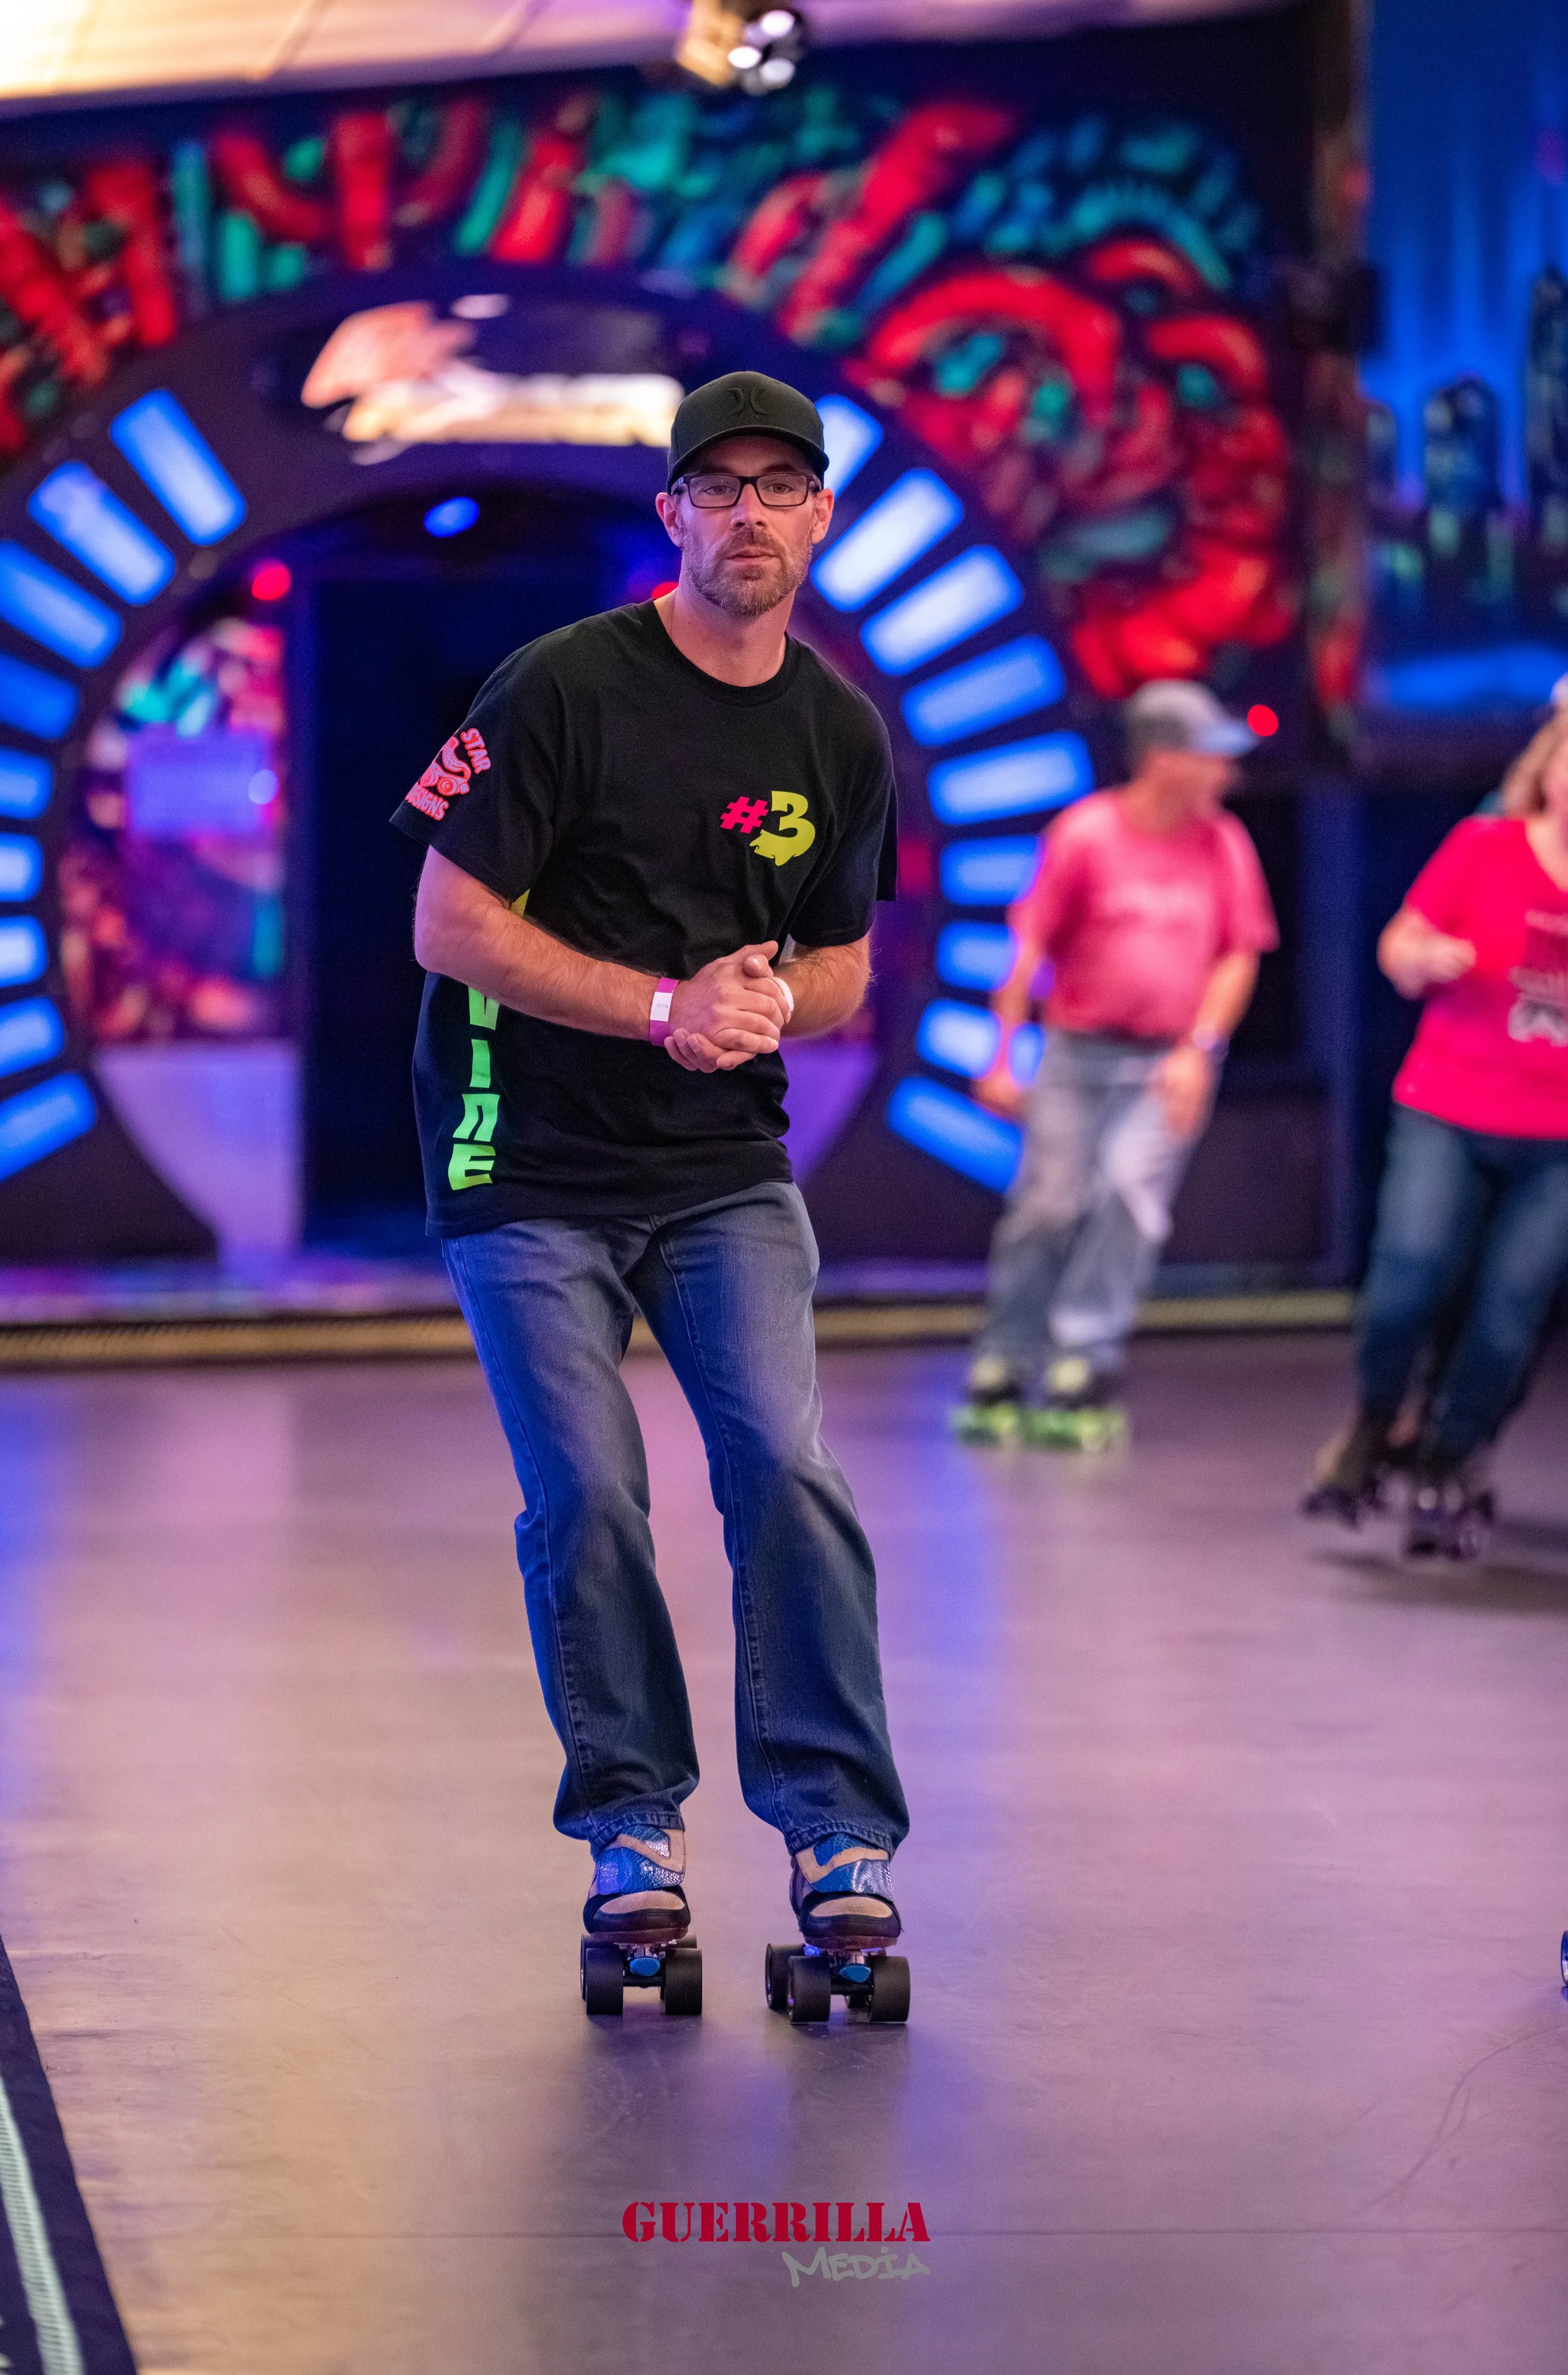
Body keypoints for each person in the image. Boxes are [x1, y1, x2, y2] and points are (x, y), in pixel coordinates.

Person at [390, 370, 909, 1971]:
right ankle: (631, 1820)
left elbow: (844, 961)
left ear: (822, 515)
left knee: (787, 1473)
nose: (749, 514)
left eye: (779, 486)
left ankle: (833, 1826)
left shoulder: (837, 730)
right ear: (671, 512)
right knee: (589, 1495)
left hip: (719, 1168)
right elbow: (446, 925)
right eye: (718, 487)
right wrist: (662, 1007)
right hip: (524, 1156)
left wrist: (772, 1001)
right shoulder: (562, 686)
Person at [954, 679, 1277, 1445]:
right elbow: (1028, 949)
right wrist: (1000, 1059)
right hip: (1076, 1056)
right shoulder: (1087, 834)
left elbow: (1239, 954)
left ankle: (1084, 1358)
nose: (1225, 771)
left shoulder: (1224, 842)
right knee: (1050, 1204)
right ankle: (1006, 1355)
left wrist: (1199, 1049)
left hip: (1166, 1062)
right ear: (1162, 759)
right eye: (1209, 754)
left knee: (1131, 1196)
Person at [1306, 704, 1568, 1557]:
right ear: (1549, 769)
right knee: (1408, 1279)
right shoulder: (1484, 847)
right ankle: (1374, 1423)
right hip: (1450, 1107)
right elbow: (1400, 943)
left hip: (1557, 1141)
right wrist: (1418, 959)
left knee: (1508, 1315)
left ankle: (1450, 1458)